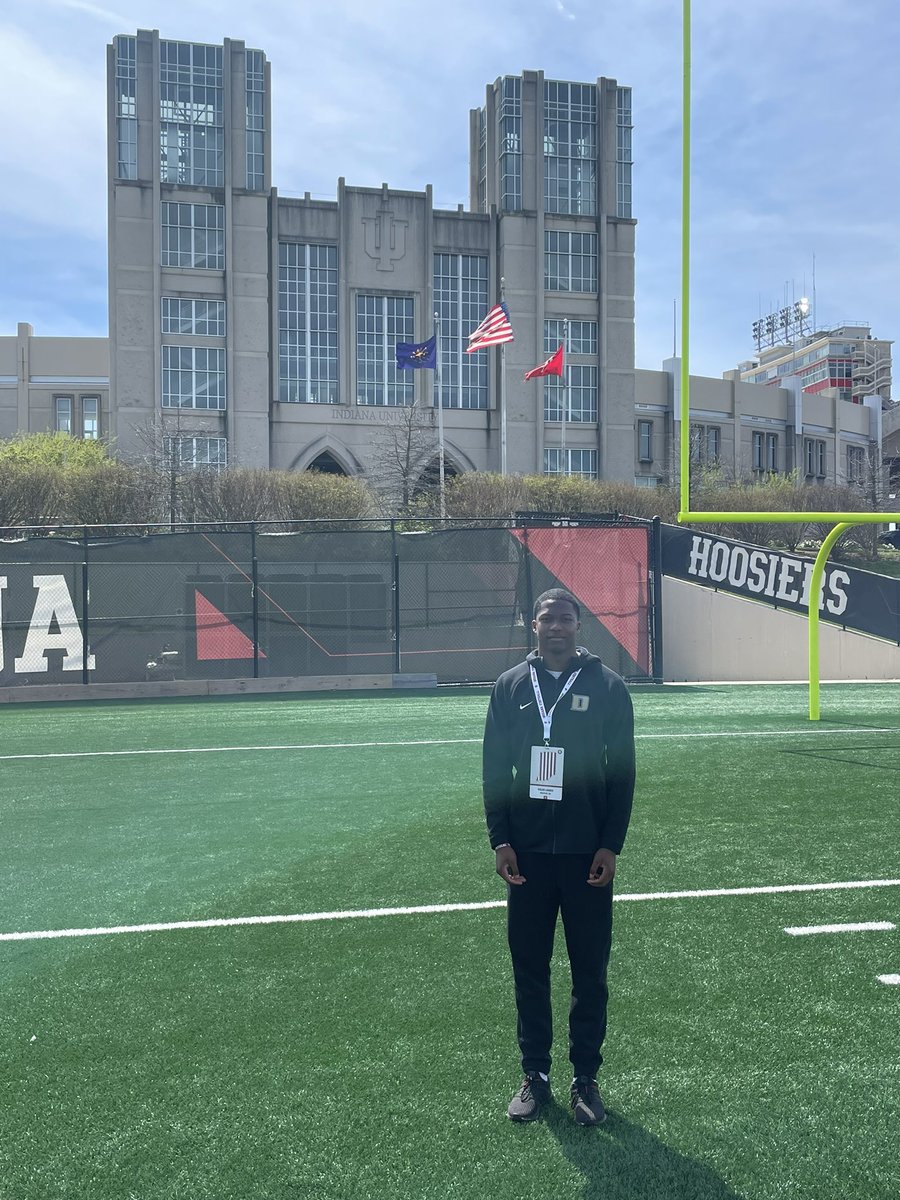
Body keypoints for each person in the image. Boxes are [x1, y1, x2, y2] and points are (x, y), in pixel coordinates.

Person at [482, 587, 636, 1125]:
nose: (556, 627)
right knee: (530, 968)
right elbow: (495, 768)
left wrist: (610, 843)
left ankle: (586, 1079)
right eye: (547, 619)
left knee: (589, 970)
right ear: (533, 625)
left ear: (578, 626)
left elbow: (623, 772)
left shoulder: (607, 686)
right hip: (526, 858)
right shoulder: (510, 687)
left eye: (565, 619)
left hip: (585, 857)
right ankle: (535, 1075)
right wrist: (500, 838)